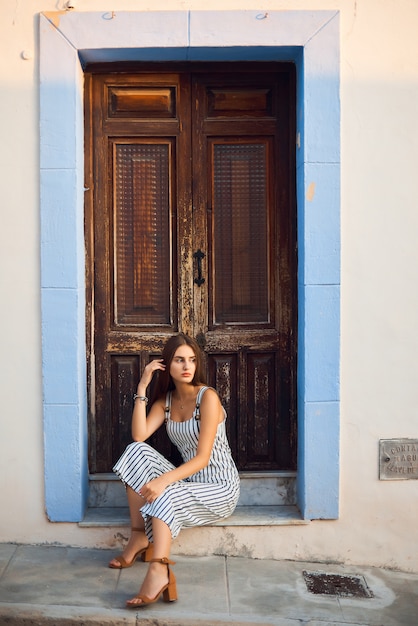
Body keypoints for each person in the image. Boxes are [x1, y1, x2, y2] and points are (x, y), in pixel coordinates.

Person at [109, 333, 240, 608]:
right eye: (179, 360)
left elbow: (203, 458)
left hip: (220, 488)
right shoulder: (166, 402)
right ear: (167, 365)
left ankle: (159, 571)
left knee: (163, 493)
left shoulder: (208, 397)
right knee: (135, 451)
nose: (186, 366)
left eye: (191, 360)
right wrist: (143, 387)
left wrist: (162, 482)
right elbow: (139, 434)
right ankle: (138, 535)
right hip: (188, 480)